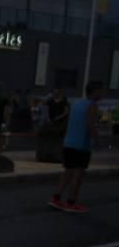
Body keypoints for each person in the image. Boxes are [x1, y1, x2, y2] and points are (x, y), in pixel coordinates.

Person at [48, 80, 103, 213]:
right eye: (101, 90)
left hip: (69, 143)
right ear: (94, 92)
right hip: (81, 145)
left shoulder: (77, 103)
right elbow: (90, 125)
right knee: (78, 175)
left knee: (68, 172)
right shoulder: (92, 105)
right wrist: (98, 140)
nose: (103, 93)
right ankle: (71, 202)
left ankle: (56, 197)